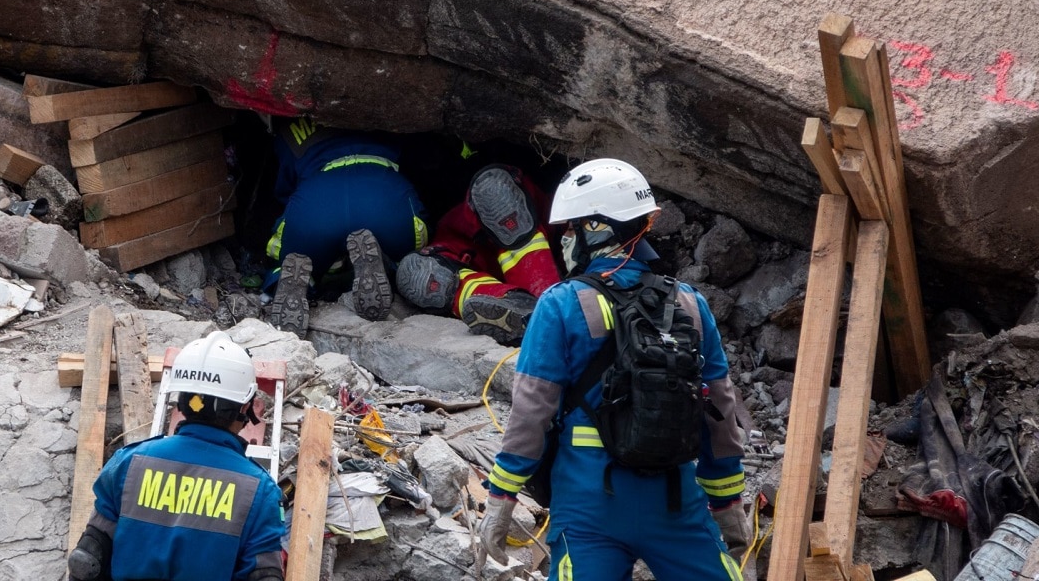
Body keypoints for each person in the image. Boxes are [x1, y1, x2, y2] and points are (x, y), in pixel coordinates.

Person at [477, 158, 751, 581]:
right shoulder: (689, 304)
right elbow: (719, 411)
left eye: (571, 227)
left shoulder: (560, 304)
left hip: (590, 507)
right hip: (676, 502)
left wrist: (501, 497)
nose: (565, 238)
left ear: (596, 229)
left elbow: (531, 412)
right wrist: (729, 504)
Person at [68, 332, 286, 581]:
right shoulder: (260, 491)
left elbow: (86, 561)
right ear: (245, 407)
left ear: (181, 401)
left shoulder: (127, 464)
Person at [263, 115, 428, 336]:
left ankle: (289, 279)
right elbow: (424, 163)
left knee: (284, 250)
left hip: (317, 202)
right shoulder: (389, 110)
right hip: (382, 195)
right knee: (415, 246)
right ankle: (389, 267)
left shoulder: (288, 125)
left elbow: (284, 189)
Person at [394, 164, 562, 346]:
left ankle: (545, 310)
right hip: (472, 242)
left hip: (538, 224)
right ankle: (522, 310)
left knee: (496, 194)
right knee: (418, 276)